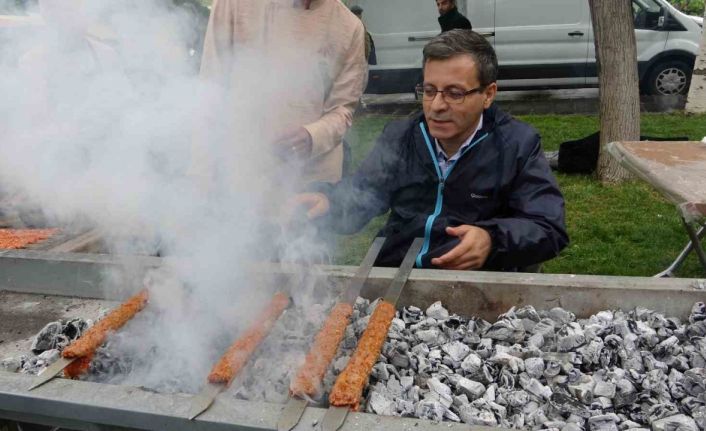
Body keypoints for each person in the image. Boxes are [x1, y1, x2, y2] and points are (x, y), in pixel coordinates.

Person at [291, 30, 568, 271]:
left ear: (488, 94)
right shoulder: (402, 137)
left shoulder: (517, 145)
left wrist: (491, 240)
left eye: (454, 93)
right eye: (429, 90)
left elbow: (548, 227)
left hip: (477, 285)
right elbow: (365, 193)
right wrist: (329, 202)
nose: (436, 106)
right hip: (394, 272)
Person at [197, 0, 368, 186]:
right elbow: (209, 91)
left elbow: (343, 109)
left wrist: (312, 135)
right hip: (242, 170)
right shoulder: (233, 4)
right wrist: (200, 175)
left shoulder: (349, 27)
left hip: (312, 180)